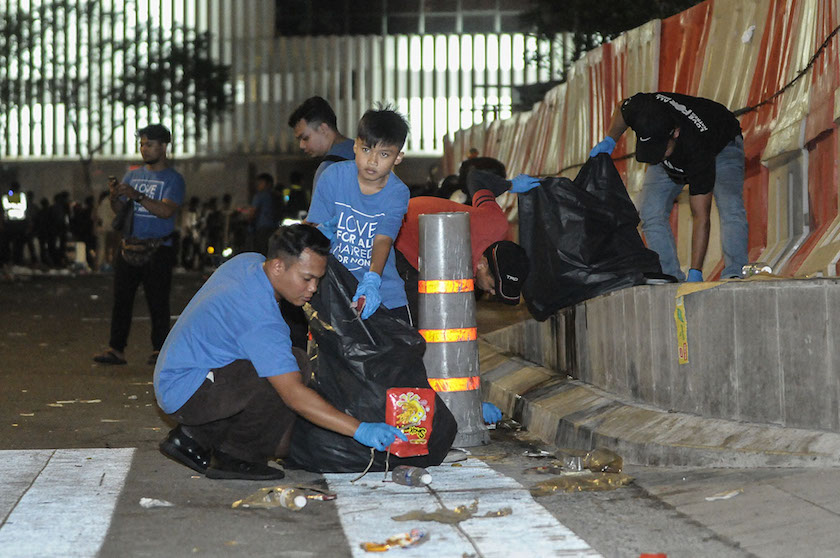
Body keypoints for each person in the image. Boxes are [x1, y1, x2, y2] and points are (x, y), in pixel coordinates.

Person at [154, 224, 407, 480]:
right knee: (286, 378)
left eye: (317, 279)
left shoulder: (249, 262)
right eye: (306, 278)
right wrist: (360, 430)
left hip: (180, 375)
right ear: (278, 266)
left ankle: (192, 438)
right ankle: (235, 457)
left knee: (293, 363)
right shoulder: (262, 321)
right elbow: (294, 396)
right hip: (186, 392)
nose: (313, 288)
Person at [590, 92, 748, 281]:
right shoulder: (641, 110)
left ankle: (735, 272)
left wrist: (695, 271)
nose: (661, 156)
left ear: (675, 133)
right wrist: (610, 140)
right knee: (650, 212)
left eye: (662, 150)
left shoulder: (698, 149)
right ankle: (669, 275)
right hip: (678, 145)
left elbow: (701, 216)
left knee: (730, 205)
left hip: (722, 145)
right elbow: (621, 108)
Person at [306, 105, 411, 322]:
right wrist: (320, 233)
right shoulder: (332, 177)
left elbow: (383, 238)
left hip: (386, 297)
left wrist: (372, 281)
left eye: (384, 154)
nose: (372, 161)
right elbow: (313, 233)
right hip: (335, 296)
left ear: (398, 157)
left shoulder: (398, 192)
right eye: (366, 150)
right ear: (355, 146)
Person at [394, 158, 536, 319]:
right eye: (492, 286)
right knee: (415, 316)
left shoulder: (497, 223)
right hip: (396, 233)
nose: (491, 292)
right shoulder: (457, 269)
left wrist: (510, 186)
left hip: (413, 214)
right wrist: (509, 185)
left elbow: (476, 178)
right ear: (482, 264)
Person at [93, 124, 185, 366]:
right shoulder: (132, 175)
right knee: (122, 300)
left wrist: (138, 196)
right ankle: (116, 349)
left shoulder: (174, 179)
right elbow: (121, 212)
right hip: (129, 245)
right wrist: (115, 198)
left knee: (158, 301)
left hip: (159, 248)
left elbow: (166, 211)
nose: (144, 149)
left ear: (164, 147)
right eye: (142, 144)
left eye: (149, 144)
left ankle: (159, 350)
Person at [287, 96, 355, 190]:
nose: (301, 145)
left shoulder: (328, 170)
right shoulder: (367, 154)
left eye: (305, 138)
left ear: (323, 129)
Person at [245, 173, 276, 255]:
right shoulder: (275, 196)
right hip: (273, 227)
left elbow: (253, 212)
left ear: (267, 184)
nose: (258, 185)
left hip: (261, 227)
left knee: (260, 251)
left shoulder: (259, 196)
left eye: (260, 183)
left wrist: (248, 221)